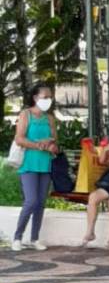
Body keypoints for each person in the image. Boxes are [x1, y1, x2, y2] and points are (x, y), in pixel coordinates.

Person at [11, 84, 58, 252]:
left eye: (50, 97)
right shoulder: (26, 115)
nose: (48, 100)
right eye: (45, 97)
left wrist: (51, 146)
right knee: (31, 201)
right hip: (29, 164)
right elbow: (19, 139)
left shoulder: (50, 118)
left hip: (45, 165)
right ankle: (17, 237)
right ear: (35, 97)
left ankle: (34, 238)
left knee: (40, 203)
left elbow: (55, 142)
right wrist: (39, 145)